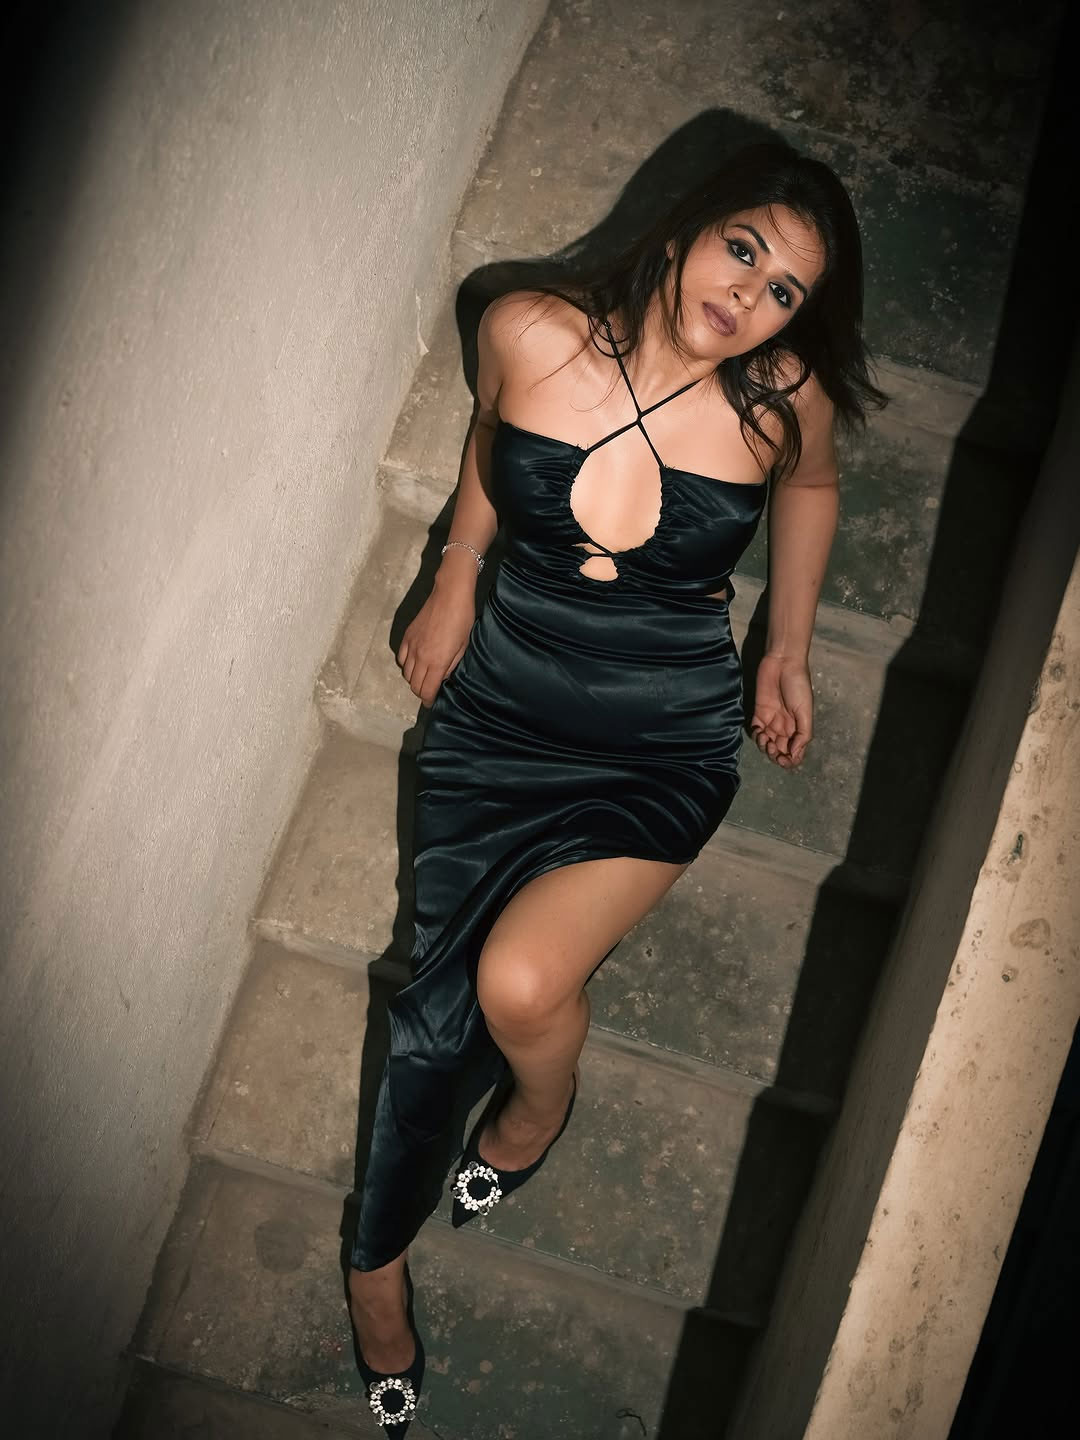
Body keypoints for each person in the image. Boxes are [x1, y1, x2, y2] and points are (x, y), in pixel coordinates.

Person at [344, 140, 885, 1436]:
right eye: (743, 250)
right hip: (499, 712)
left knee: (518, 986)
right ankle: (376, 1269)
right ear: (686, 230)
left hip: (661, 740)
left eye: (785, 291)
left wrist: (788, 647)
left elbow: (813, 487)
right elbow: (493, 436)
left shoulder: (778, 401)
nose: (749, 297)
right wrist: (459, 571)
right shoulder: (523, 329)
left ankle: (539, 1105)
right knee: (434, 1009)